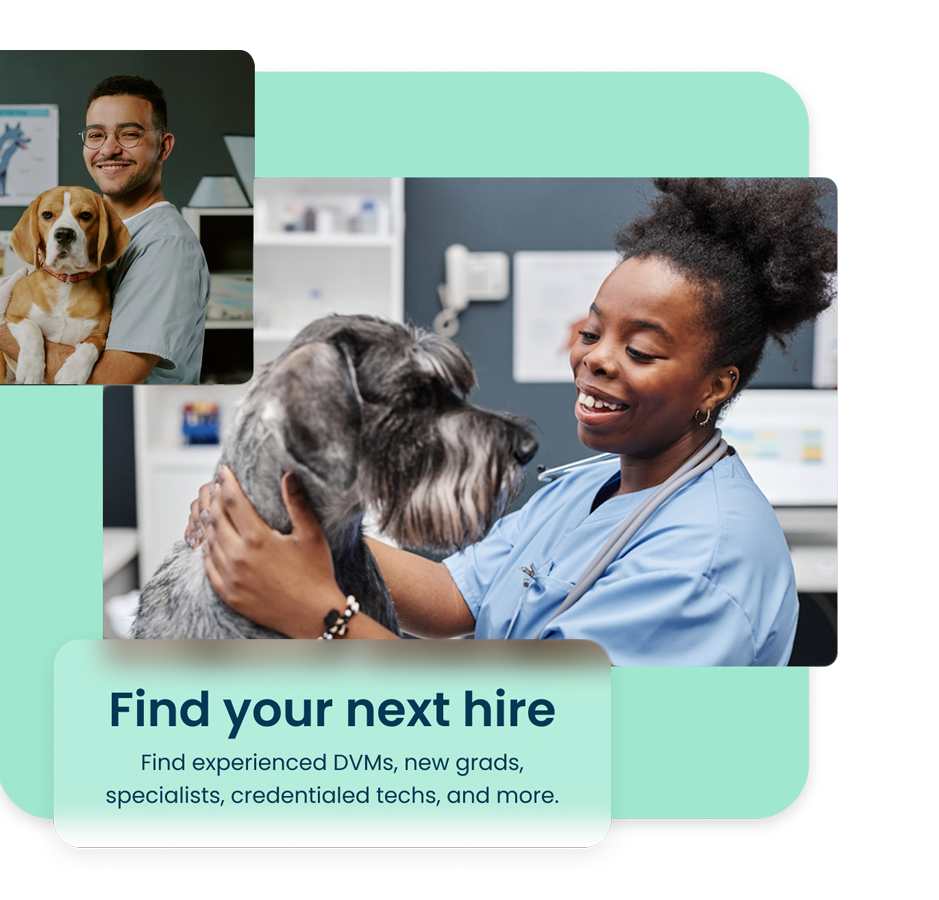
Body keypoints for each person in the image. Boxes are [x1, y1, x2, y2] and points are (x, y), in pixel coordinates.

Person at [186, 179, 837, 665]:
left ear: (715, 385)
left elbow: (536, 736)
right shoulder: (595, 486)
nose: (595, 360)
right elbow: (451, 597)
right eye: (590, 330)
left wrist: (313, 610)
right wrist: (281, 534)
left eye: (639, 351)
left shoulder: (701, 564)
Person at [0, 75, 210, 384]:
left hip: (118, 426)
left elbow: (111, 380)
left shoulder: (166, 246)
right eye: (96, 135)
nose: (109, 149)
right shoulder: (104, 236)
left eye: (130, 134)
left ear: (163, 147)